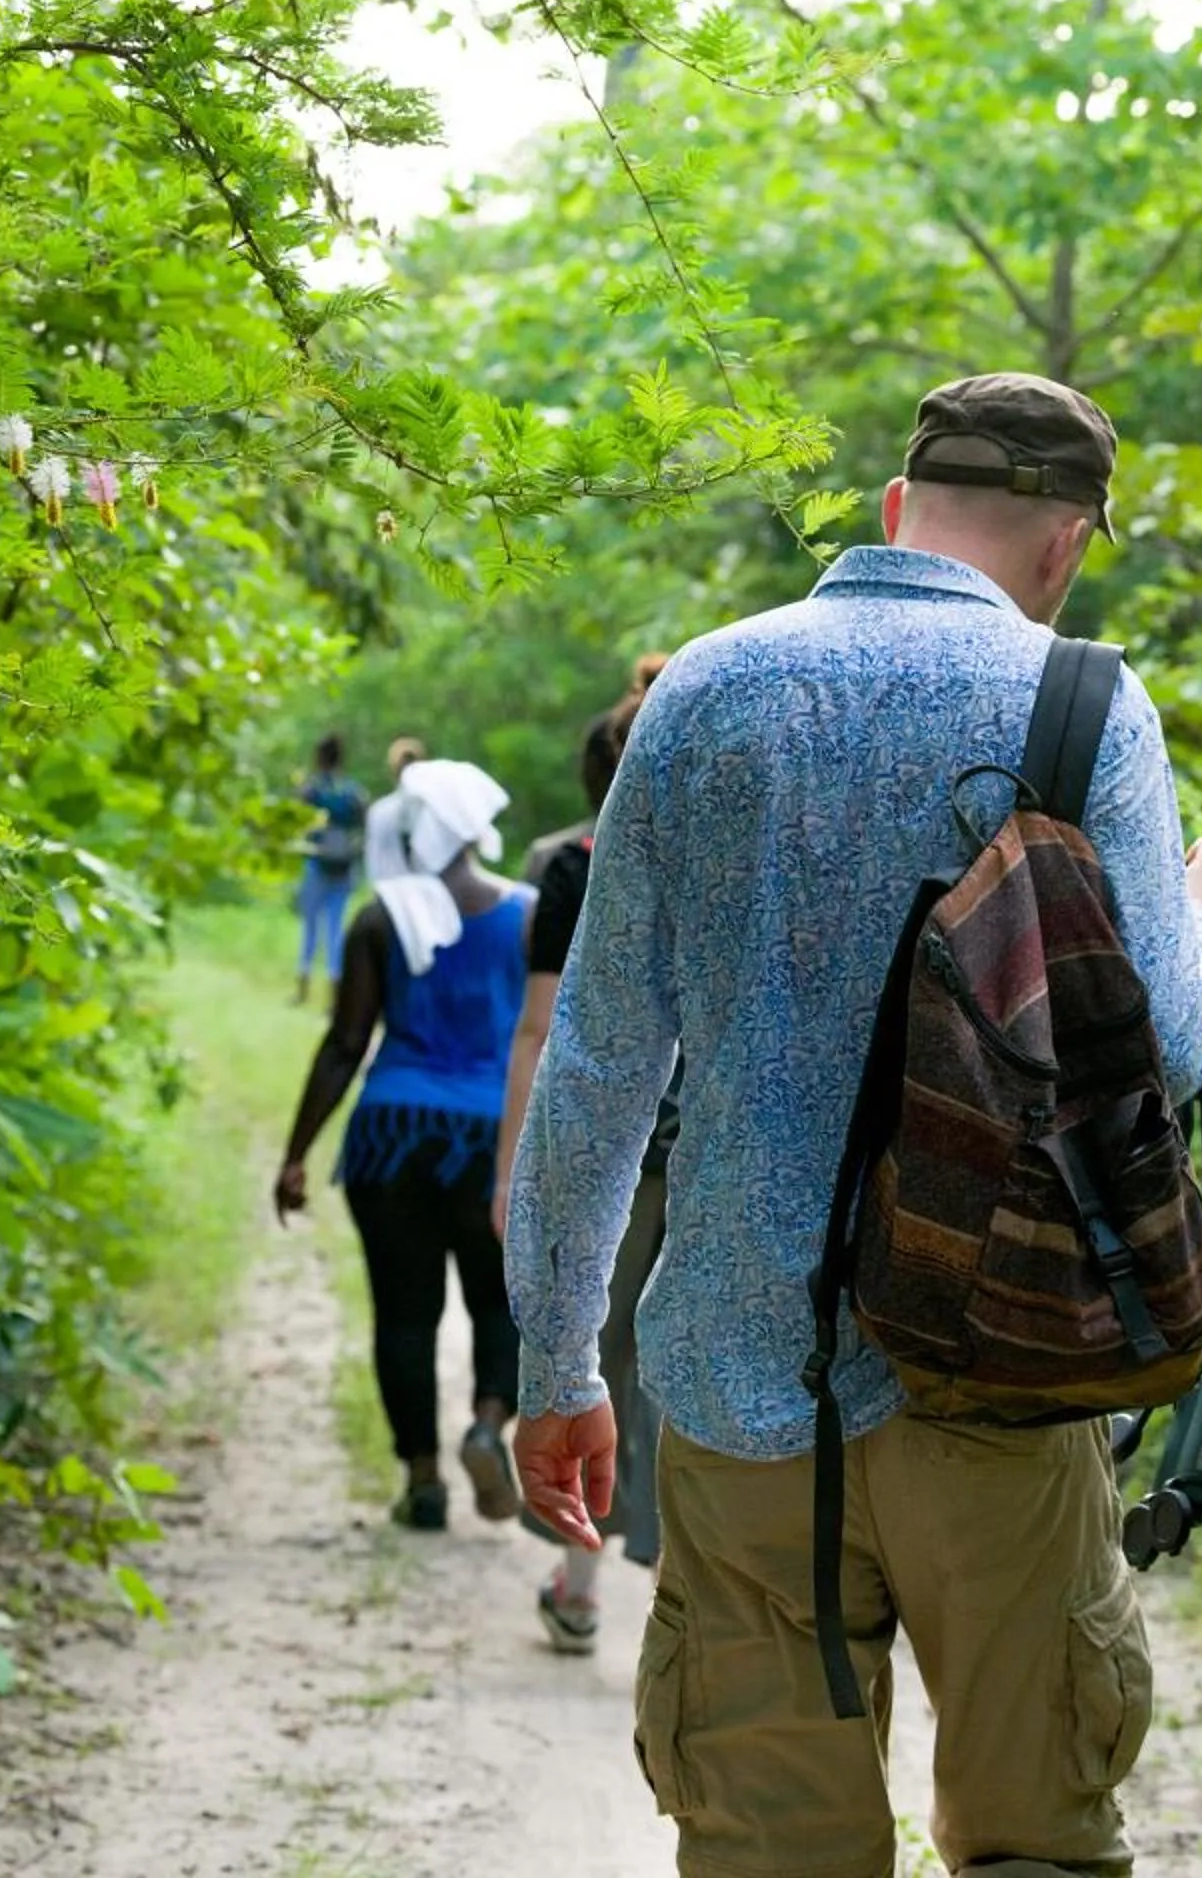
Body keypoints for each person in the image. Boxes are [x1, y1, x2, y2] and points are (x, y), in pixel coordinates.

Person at [504, 374, 1202, 1877]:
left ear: (898, 508)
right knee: (1037, 1841)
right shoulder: (1082, 702)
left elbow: (598, 1064)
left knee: (766, 1852)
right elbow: (1162, 1047)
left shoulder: (700, 692)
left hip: (740, 1377)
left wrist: (558, 1363)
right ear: (1068, 543)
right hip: (1003, 1362)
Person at [278, 757, 533, 1533]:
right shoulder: (528, 915)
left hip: (391, 1138)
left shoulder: (379, 919)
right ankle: (487, 1427)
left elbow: (345, 1043)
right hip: (493, 1138)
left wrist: (296, 1153)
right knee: (500, 1301)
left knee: (403, 1313)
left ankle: (422, 1480)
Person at [495, 655, 672, 1656]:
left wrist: (513, 1173)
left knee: (593, 1353)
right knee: (688, 1363)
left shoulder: (574, 867)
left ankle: (580, 1581)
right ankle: (691, 1586)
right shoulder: (755, 853)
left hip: (619, 1149)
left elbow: (543, 1032)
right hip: (720, 1153)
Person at [293, 734, 367, 1003]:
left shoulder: (312, 790)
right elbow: (362, 826)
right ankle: (334, 995)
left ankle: (302, 990)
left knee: (310, 929)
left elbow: (298, 821)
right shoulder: (352, 791)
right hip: (344, 866)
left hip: (316, 863)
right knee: (336, 931)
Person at [364, 735, 427, 883]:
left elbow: (374, 859)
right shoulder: (431, 809)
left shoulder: (379, 810)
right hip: (426, 888)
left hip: (391, 888)